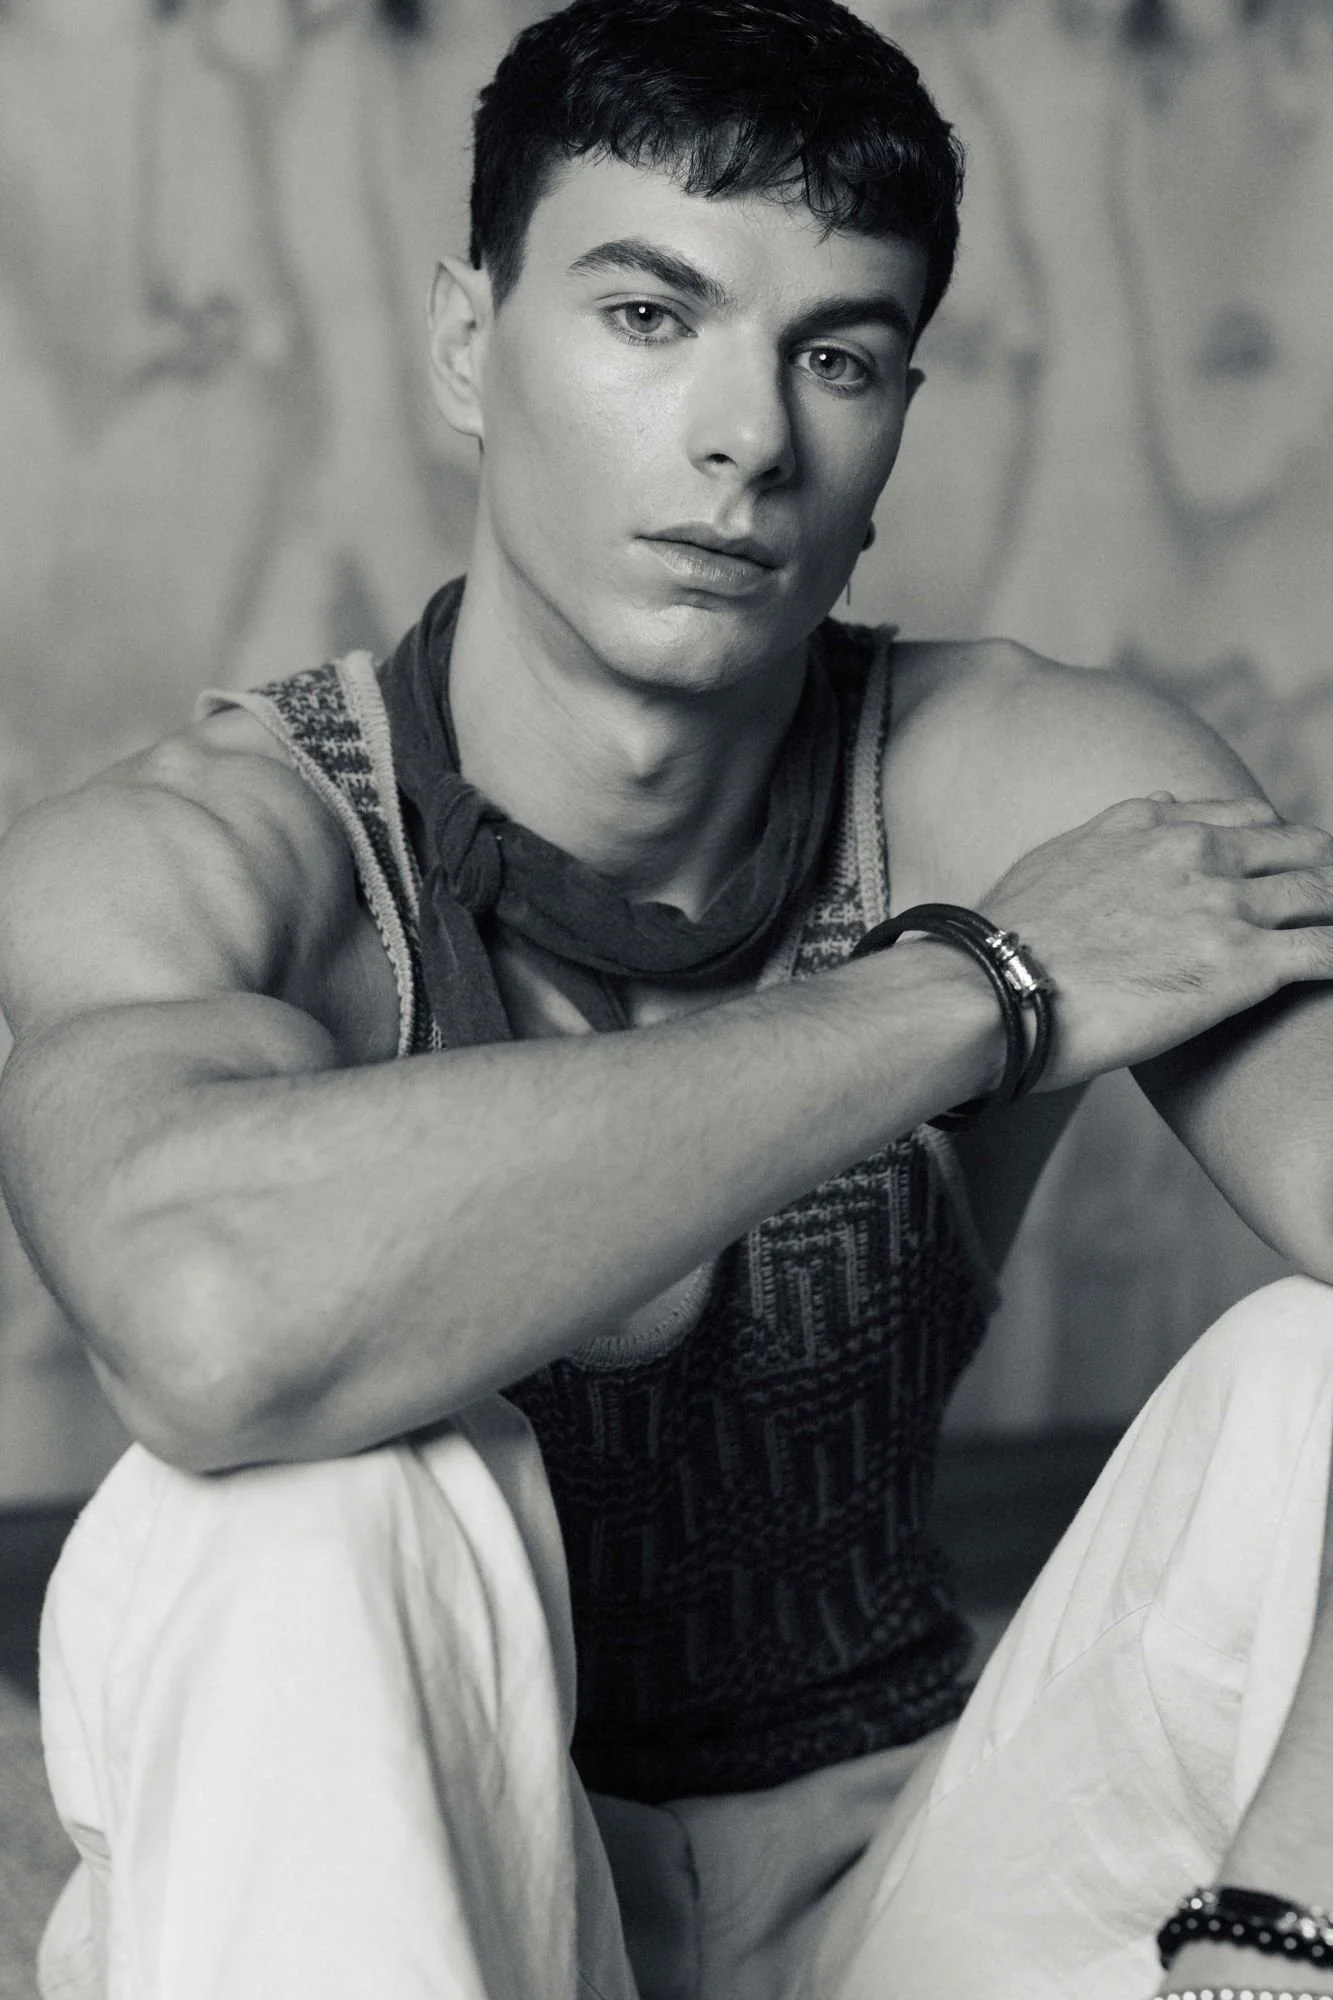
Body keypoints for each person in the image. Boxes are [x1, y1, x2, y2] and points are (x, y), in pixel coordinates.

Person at [3, 2, 1333, 1995]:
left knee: (1308, 1372)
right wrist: (978, 989)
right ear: (469, 342)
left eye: (837, 356)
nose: (748, 440)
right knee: (292, 1501)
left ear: (894, 423)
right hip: (429, 1909)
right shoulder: (215, 853)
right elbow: (208, 1325)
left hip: (917, 1901)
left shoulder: (1023, 782)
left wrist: (1286, 1904)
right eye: (649, 316)